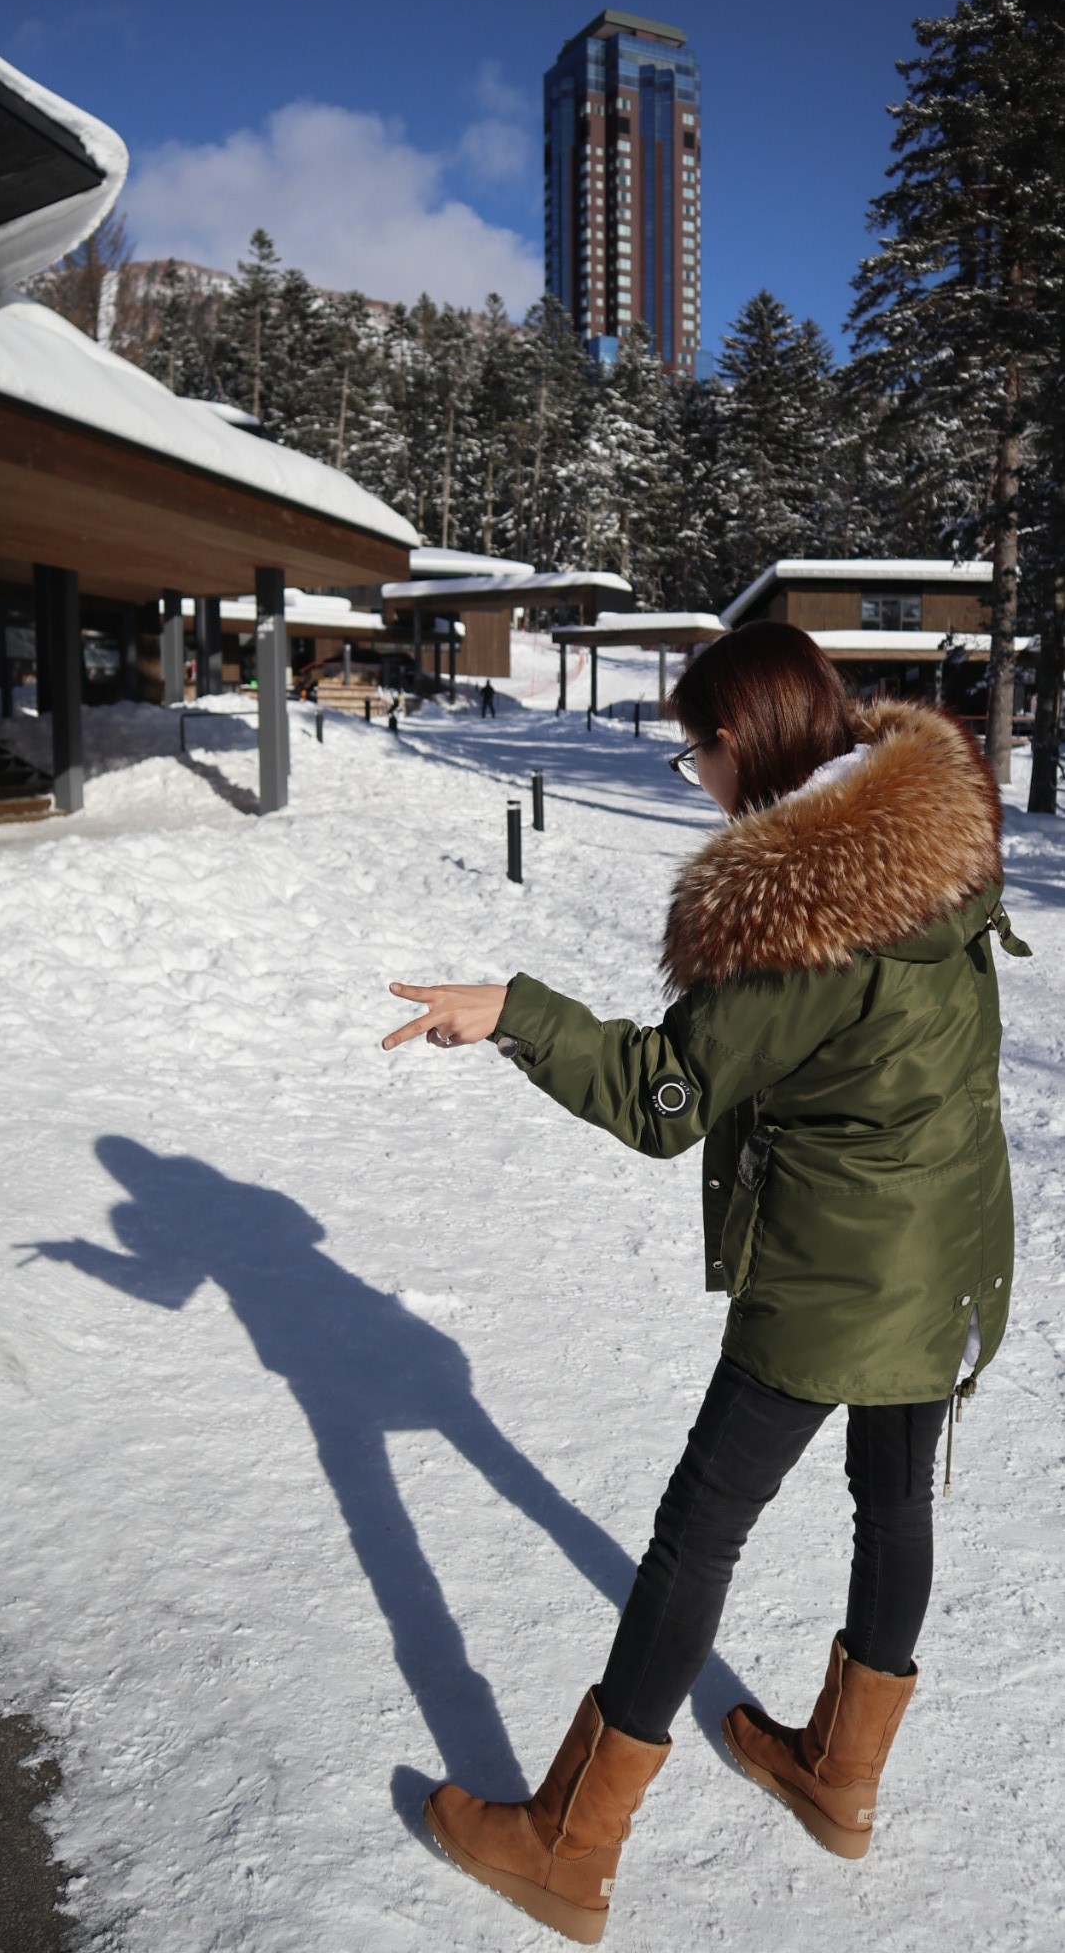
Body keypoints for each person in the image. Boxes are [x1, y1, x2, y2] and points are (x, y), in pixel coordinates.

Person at [381, 623, 1028, 1945]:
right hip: (951, 1247)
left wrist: (514, 1009)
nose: (694, 778)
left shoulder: (807, 911)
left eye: (694, 757)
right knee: (892, 1496)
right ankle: (840, 1778)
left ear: (744, 745)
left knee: (699, 1529)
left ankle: (568, 1844)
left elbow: (663, 1094)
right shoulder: (929, 840)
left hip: (841, 1272)